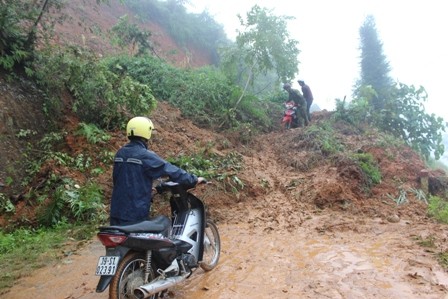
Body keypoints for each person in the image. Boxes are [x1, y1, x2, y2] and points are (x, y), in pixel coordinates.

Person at [109, 116, 205, 225]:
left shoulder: (120, 153)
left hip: (116, 212)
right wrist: (193, 179)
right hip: (134, 213)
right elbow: (170, 170)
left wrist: (150, 189)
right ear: (147, 132)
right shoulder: (145, 155)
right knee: (163, 225)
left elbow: (128, 178)